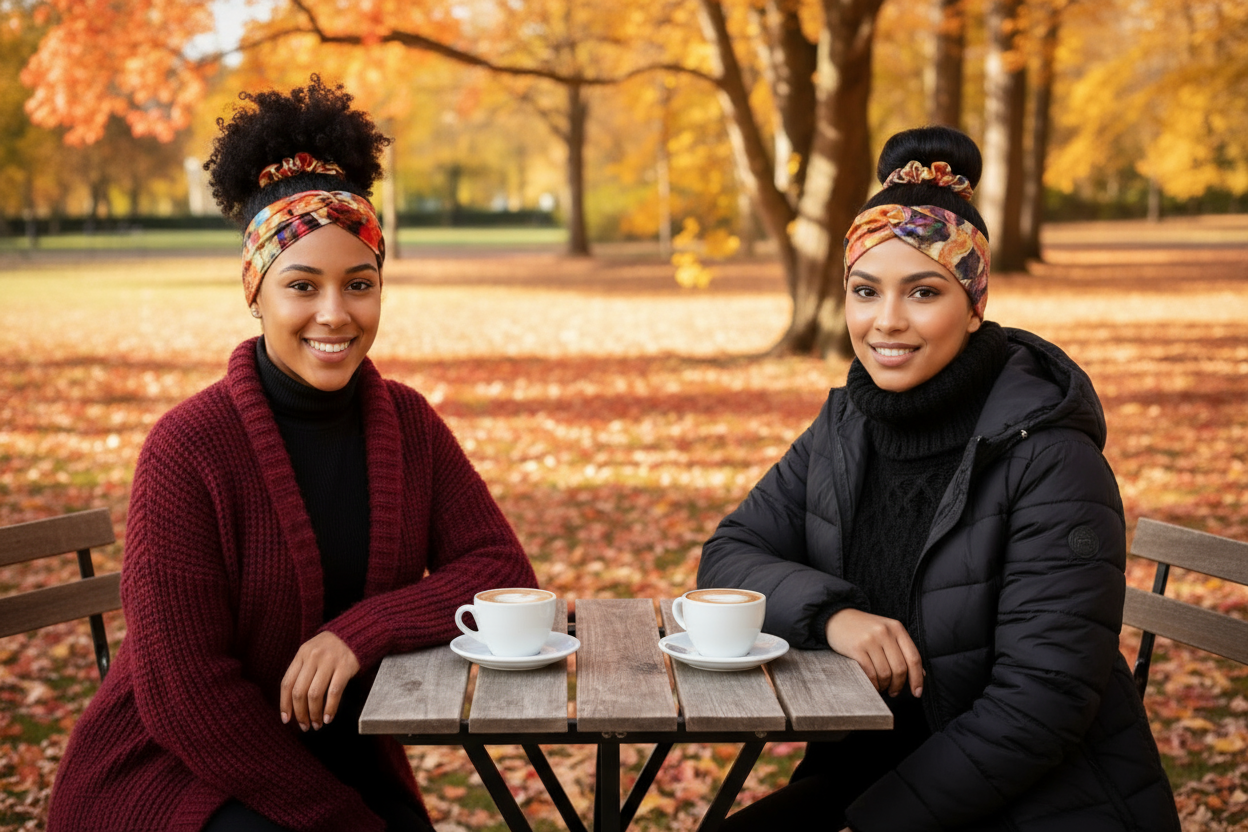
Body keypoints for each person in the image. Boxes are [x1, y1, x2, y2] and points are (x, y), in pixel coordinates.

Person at [48, 76, 538, 832]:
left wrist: (361, 630)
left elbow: (500, 572)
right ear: (257, 290)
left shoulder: (406, 423)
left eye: (361, 283)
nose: (335, 314)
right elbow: (186, 696)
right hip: (174, 778)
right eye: (302, 285)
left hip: (339, 764)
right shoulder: (187, 450)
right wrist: (341, 820)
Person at [699, 126, 1180, 831]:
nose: (886, 322)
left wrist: (869, 823)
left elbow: (1042, 703)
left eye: (923, 291)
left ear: (974, 303)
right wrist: (833, 616)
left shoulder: (1050, 458)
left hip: (1038, 802)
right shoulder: (848, 427)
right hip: (875, 768)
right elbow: (729, 557)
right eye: (865, 291)